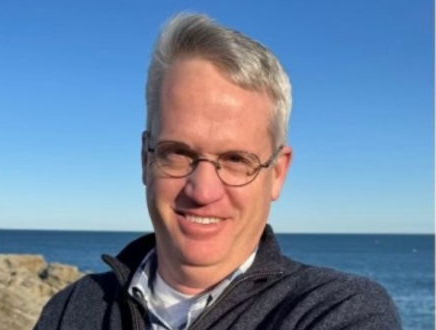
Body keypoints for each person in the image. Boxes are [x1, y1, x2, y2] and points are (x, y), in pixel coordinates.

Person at [34, 13, 402, 330]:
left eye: (237, 160)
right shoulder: (74, 308)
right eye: (177, 153)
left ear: (277, 173)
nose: (203, 190)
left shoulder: (335, 311)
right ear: (146, 160)